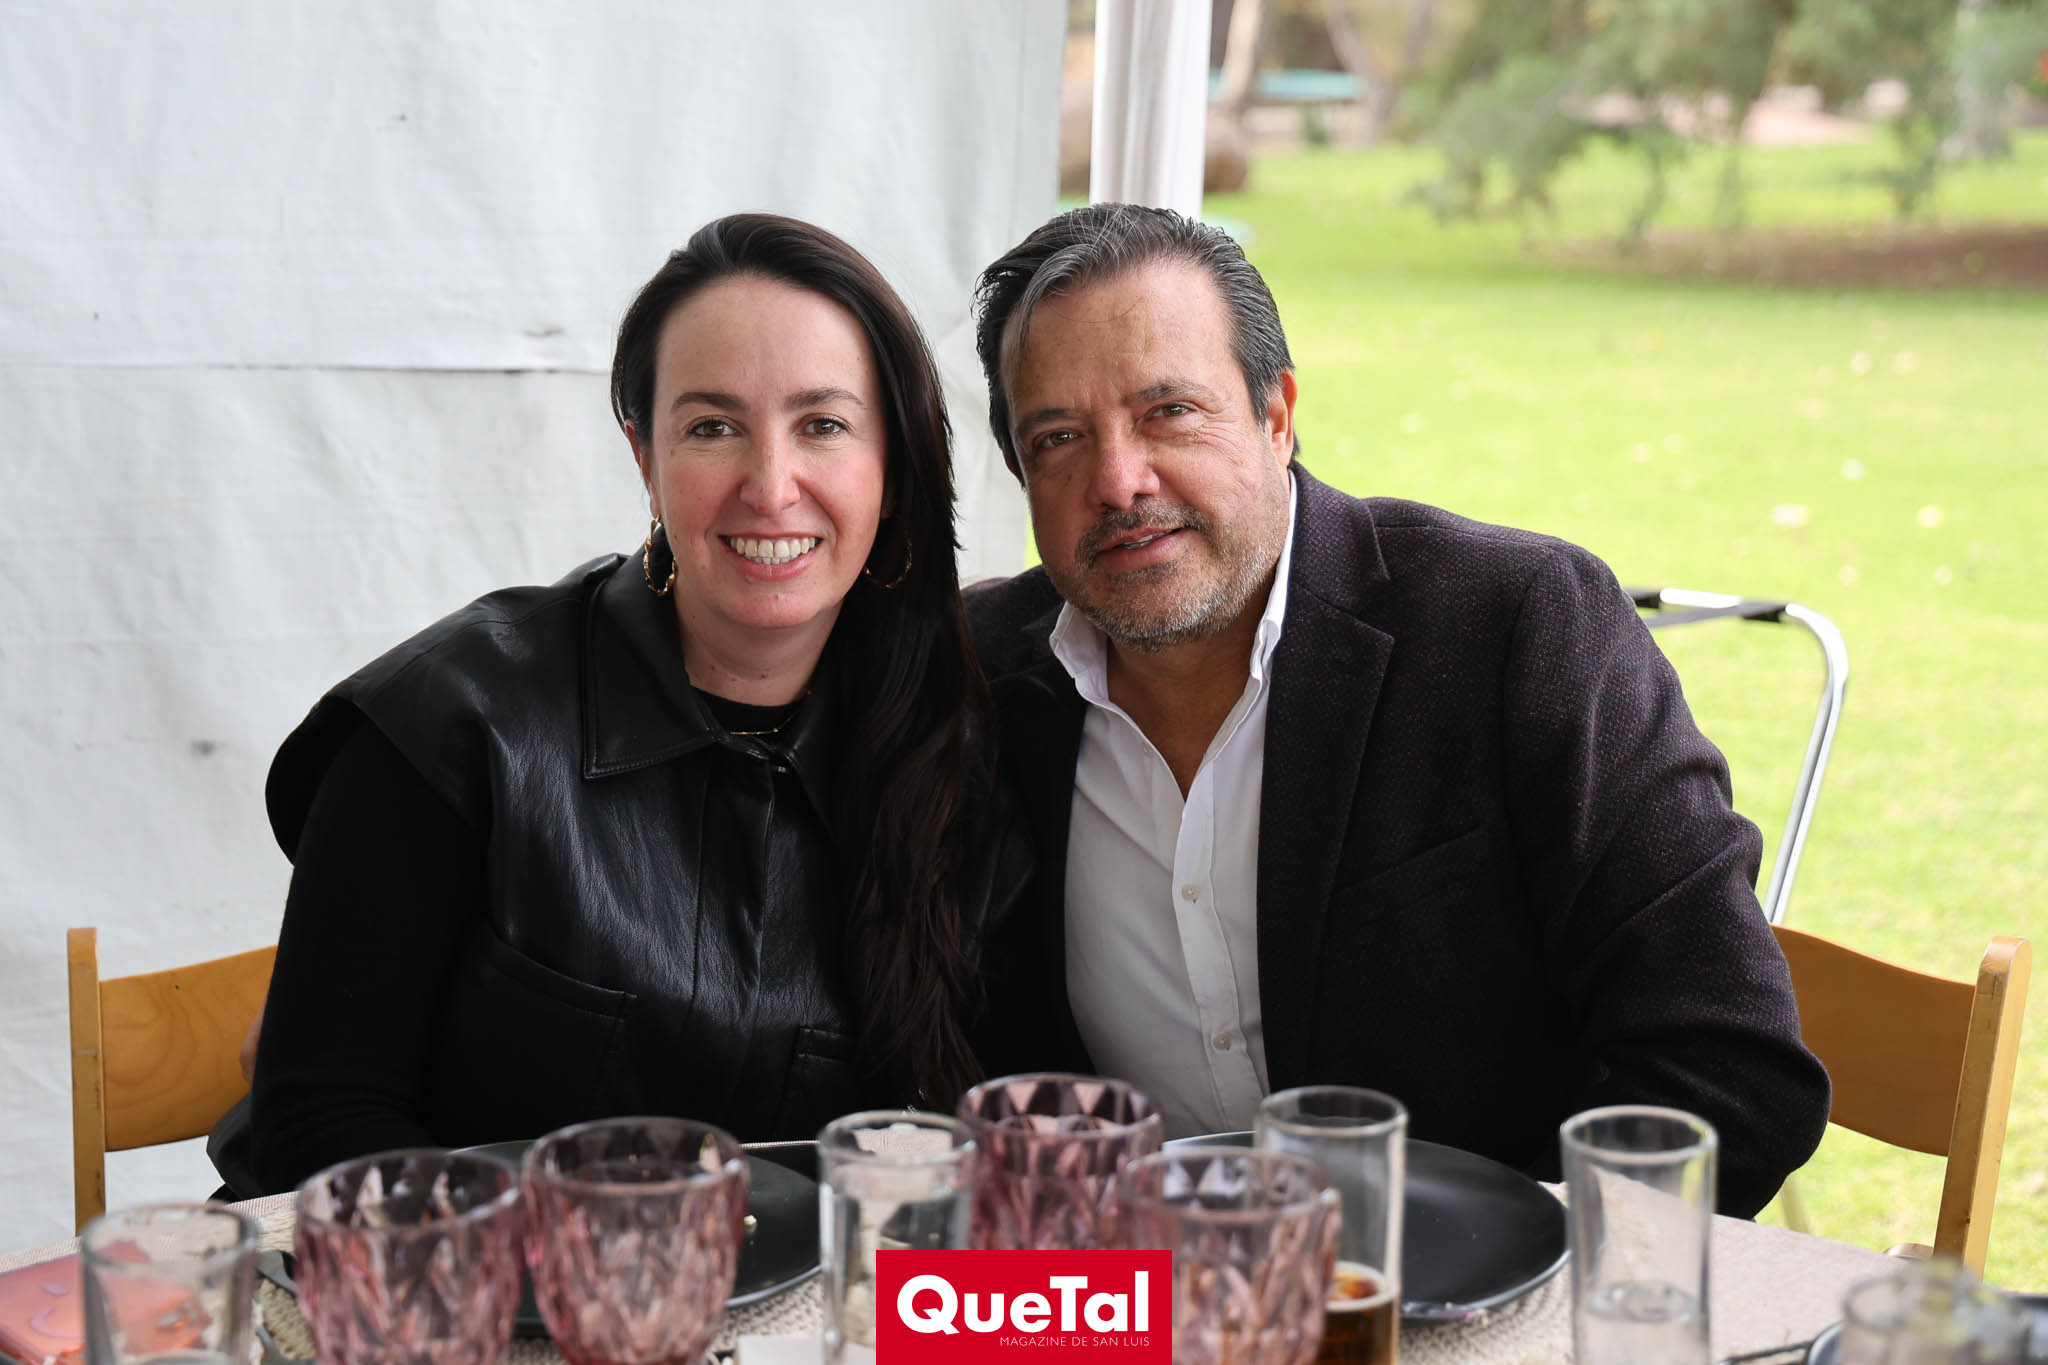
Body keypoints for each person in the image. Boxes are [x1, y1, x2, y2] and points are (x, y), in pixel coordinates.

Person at [961, 203, 1830, 1218]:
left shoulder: (1516, 627)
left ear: (1276, 416)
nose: (1118, 481)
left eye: (1170, 412)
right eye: (1059, 438)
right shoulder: (973, 681)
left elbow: (1731, 1075)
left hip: (1470, 1285)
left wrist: (1476, 1271)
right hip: (1124, 1286)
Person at [238, 213, 1028, 1194]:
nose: (770, 486)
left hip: (798, 1291)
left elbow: (998, 1145)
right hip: (453, 1280)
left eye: (822, 425)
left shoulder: (953, 754)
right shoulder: (448, 722)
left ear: (894, 468)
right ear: (645, 458)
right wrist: (610, 1271)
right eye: (712, 427)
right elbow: (317, 1125)